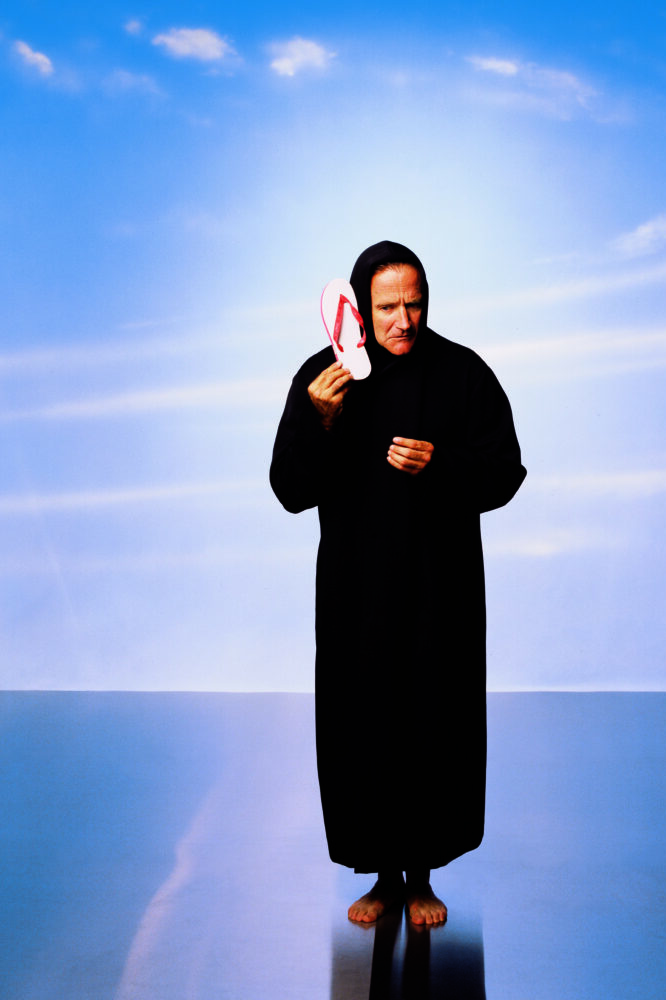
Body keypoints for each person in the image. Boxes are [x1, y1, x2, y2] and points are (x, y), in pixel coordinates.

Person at [269, 241, 526, 925]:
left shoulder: (463, 372)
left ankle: (423, 878)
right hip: (356, 594)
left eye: (414, 304)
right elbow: (289, 489)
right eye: (387, 307)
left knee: (435, 725)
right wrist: (321, 421)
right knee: (365, 727)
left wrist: (442, 464)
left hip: (441, 591)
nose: (404, 320)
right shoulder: (324, 379)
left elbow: (506, 472)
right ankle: (382, 877)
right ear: (360, 306)